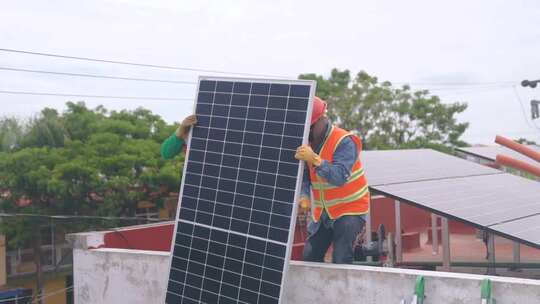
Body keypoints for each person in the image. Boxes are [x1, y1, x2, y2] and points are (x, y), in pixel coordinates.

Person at [294, 97, 370, 264]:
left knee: (341, 257)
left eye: (311, 127)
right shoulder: (307, 143)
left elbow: (339, 177)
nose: (308, 132)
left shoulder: (344, 141)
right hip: (324, 212)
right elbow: (305, 177)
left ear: (322, 119)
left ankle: (343, 290)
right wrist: (303, 196)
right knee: (310, 256)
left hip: (350, 209)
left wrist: (316, 160)